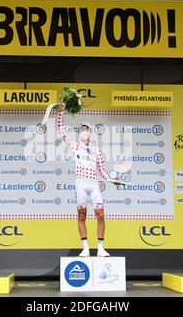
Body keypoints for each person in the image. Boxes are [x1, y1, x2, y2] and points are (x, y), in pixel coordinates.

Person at [57, 107, 121, 257]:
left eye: (86, 130)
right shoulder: (75, 146)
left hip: (93, 184)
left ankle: (100, 248)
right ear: (79, 133)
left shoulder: (97, 150)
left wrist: (112, 180)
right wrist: (61, 112)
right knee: (81, 216)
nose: (84, 132)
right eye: (81, 130)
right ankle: (85, 248)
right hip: (80, 184)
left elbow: (103, 170)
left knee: (100, 215)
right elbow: (61, 130)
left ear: (90, 132)